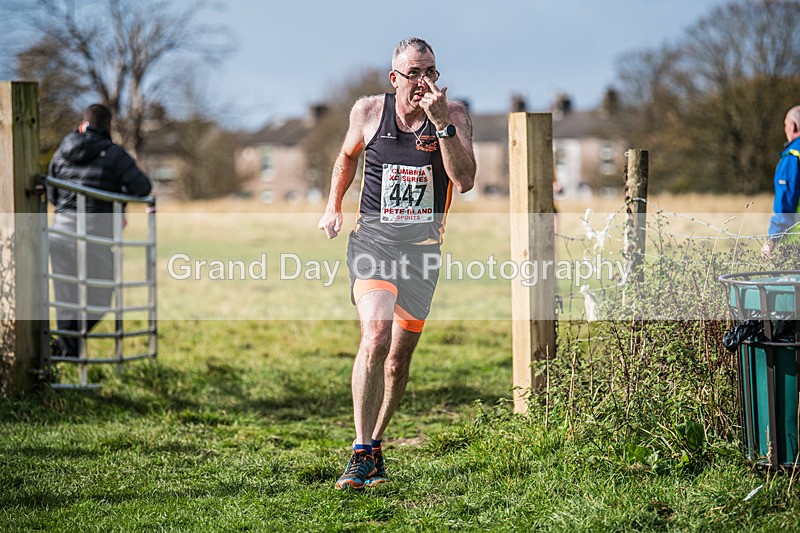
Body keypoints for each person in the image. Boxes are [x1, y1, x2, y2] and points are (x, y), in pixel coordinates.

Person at [318, 37, 476, 489]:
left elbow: (464, 180)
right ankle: (360, 448)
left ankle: (375, 448)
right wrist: (334, 205)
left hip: (423, 251)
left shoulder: (455, 114)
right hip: (374, 244)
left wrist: (441, 124)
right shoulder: (368, 112)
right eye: (415, 73)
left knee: (397, 361)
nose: (425, 82)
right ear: (395, 78)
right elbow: (346, 157)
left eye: (431, 72)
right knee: (375, 335)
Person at [48, 103, 152, 357]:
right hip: (95, 235)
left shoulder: (61, 152)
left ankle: (62, 355)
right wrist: (116, 195)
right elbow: (143, 187)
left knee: (66, 301)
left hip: (60, 234)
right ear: (108, 125)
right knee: (101, 298)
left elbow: (52, 193)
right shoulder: (113, 153)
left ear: (83, 123)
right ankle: (64, 350)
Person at [762, 105, 800, 260]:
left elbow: (786, 203)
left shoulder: (793, 155)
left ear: (793, 126)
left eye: (785, 125)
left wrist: (772, 240)